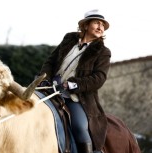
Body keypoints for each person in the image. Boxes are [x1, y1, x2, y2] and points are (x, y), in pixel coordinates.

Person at [39, 9, 111, 153]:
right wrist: (44, 78)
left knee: (79, 127)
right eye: (97, 23)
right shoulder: (68, 40)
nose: (100, 27)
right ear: (85, 25)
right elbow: (51, 61)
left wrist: (74, 84)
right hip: (49, 89)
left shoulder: (103, 52)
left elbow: (99, 78)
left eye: (103, 25)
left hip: (77, 97)